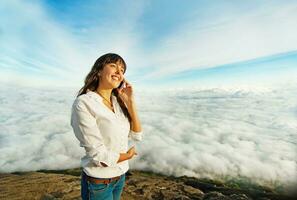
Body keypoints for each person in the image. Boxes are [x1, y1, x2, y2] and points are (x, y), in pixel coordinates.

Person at [70, 53, 143, 200]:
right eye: (113, 66)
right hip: (99, 181)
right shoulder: (84, 103)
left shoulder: (117, 102)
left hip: (120, 176)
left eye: (122, 70)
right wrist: (127, 156)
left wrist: (130, 101)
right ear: (98, 71)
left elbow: (136, 135)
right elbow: (98, 155)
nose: (119, 72)